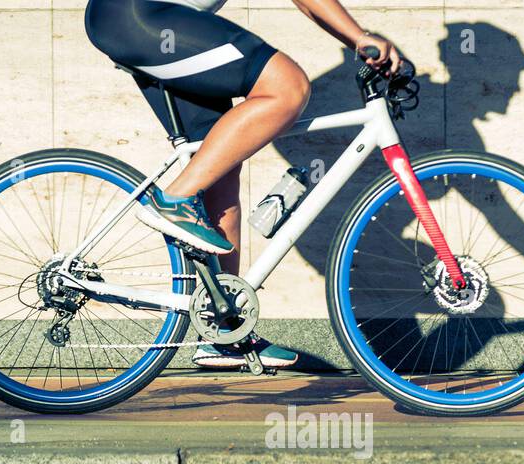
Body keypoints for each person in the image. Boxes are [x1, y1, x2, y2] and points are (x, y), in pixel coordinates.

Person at [84, 0, 401, 369]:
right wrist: (359, 37)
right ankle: (173, 199)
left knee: (219, 174)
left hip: (137, 19)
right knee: (288, 86)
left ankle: (223, 329)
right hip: (139, 14)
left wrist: (356, 41)